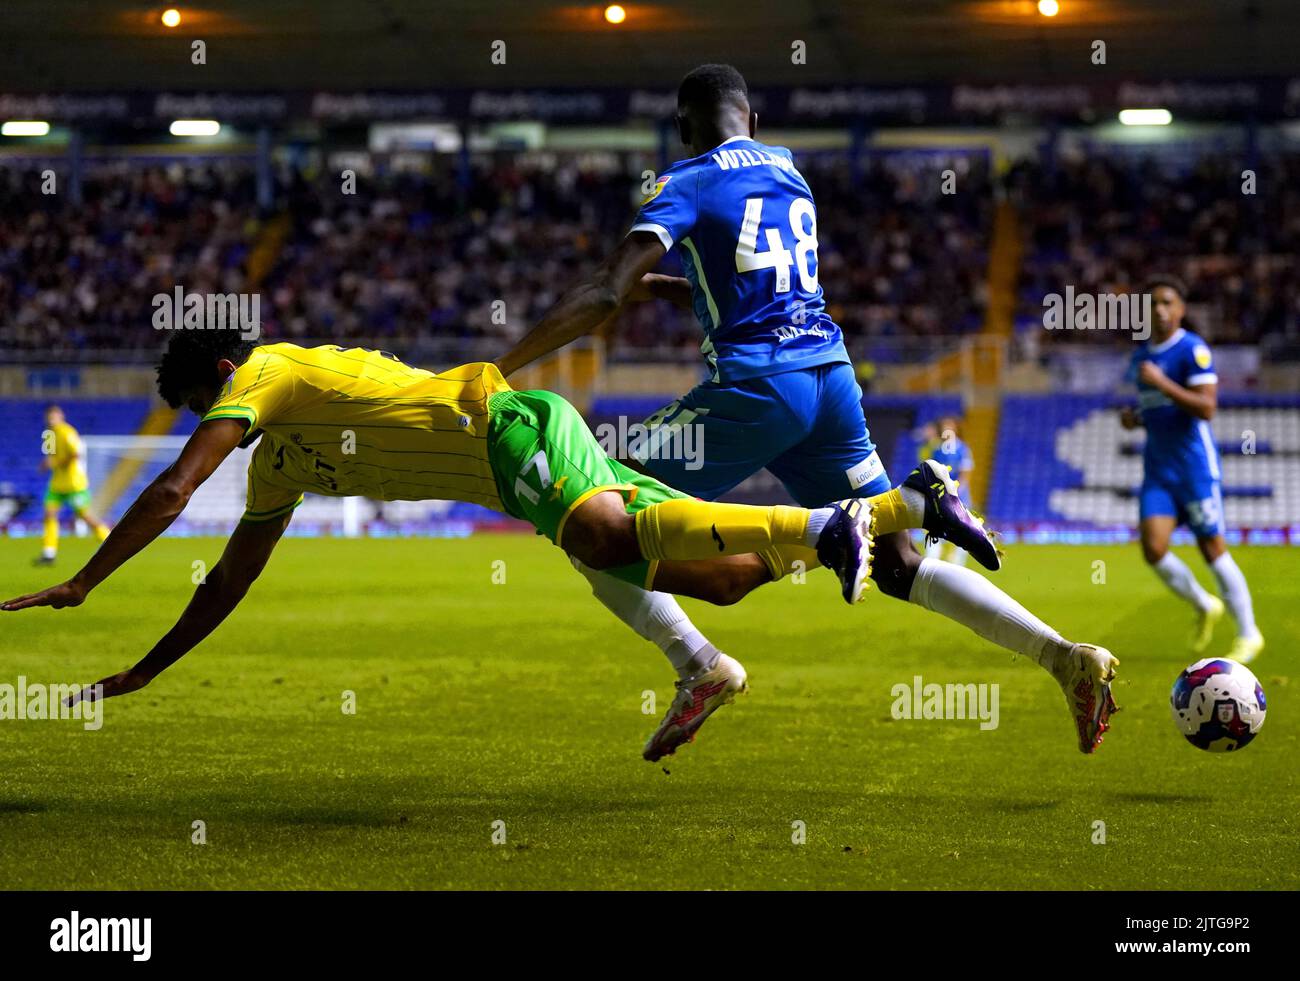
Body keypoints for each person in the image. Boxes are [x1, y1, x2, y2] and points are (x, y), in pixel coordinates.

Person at [497, 63, 1118, 757]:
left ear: (683, 128)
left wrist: (498, 370)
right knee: (899, 567)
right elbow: (750, 283)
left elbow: (605, 294)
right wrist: (671, 289)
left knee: (595, 514)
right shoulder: (789, 171)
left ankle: (697, 663)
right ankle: (1064, 654)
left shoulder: (687, 179)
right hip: (829, 380)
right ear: (753, 121)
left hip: (760, 388)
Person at [4, 334, 981, 721]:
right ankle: (875, 515)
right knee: (717, 578)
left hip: (514, 424)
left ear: (214, 379)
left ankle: (865, 515)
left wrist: (89, 579)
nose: (198, 427)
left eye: (191, 406)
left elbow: (174, 490)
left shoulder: (267, 370)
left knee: (603, 543)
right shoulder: (280, 464)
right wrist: (148, 668)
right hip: (527, 483)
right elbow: (226, 582)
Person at [1120, 276, 1263, 663]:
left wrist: (1163, 383)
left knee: (1212, 549)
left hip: (1194, 469)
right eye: (1153, 304)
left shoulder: (1192, 350)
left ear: (1181, 310)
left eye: (1167, 303)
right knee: (1153, 549)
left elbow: (1206, 408)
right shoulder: (1140, 358)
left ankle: (1249, 633)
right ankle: (1204, 604)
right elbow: (1157, 412)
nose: (1160, 310)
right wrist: (1136, 419)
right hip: (1158, 471)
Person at [35, 404, 111, 565]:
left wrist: (58, 463)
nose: (51, 419)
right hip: (56, 484)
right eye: (49, 417)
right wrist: (45, 465)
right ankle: (49, 553)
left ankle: (109, 542)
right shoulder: (48, 434)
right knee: (49, 514)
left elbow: (75, 454)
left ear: (61, 416)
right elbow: (51, 456)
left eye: (54, 416)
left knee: (85, 516)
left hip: (74, 484)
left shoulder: (67, 432)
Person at [919, 416, 975, 566]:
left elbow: (966, 472)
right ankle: (931, 562)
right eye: (944, 427)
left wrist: (956, 489)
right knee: (935, 527)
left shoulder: (963, 449)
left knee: (963, 529)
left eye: (949, 427)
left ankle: (957, 563)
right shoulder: (936, 450)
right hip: (940, 495)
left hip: (959, 495)